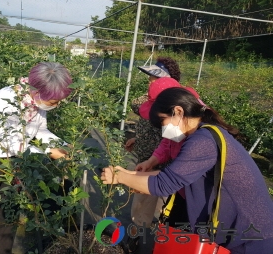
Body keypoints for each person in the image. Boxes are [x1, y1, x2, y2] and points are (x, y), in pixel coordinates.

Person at [102, 87, 273, 254]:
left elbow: (163, 184)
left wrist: (119, 176)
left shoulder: (202, 141)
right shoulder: (203, 133)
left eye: (163, 123)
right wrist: (131, 175)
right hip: (242, 231)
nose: (164, 131)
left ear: (178, 111)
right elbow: (176, 176)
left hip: (251, 235)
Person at [0, 62, 73, 254]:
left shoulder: (36, 101)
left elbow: (39, 130)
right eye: (53, 102)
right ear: (38, 91)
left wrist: (59, 143)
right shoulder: (7, 98)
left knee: (6, 217)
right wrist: (47, 151)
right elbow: (7, 139)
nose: (56, 105)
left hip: (15, 163)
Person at [124, 57, 181, 252]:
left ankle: (158, 238)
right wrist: (138, 139)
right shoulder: (156, 101)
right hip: (149, 159)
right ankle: (138, 235)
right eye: (149, 78)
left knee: (164, 204)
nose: (150, 82)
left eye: (154, 78)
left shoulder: (173, 106)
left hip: (164, 166)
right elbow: (145, 116)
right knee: (141, 205)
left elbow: (171, 138)